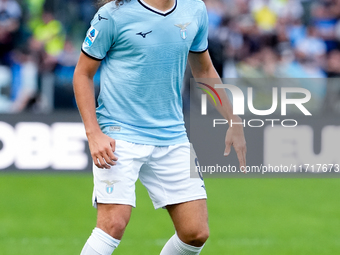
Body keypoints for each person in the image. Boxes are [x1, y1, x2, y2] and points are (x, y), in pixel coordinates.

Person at [73, 0, 246, 254]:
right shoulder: (112, 16)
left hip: (172, 135)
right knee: (113, 224)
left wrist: (233, 119)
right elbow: (82, 74)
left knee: (195, 233)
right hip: (120, 133)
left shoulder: (194, 9)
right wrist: (94, 133)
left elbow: (205, 70)